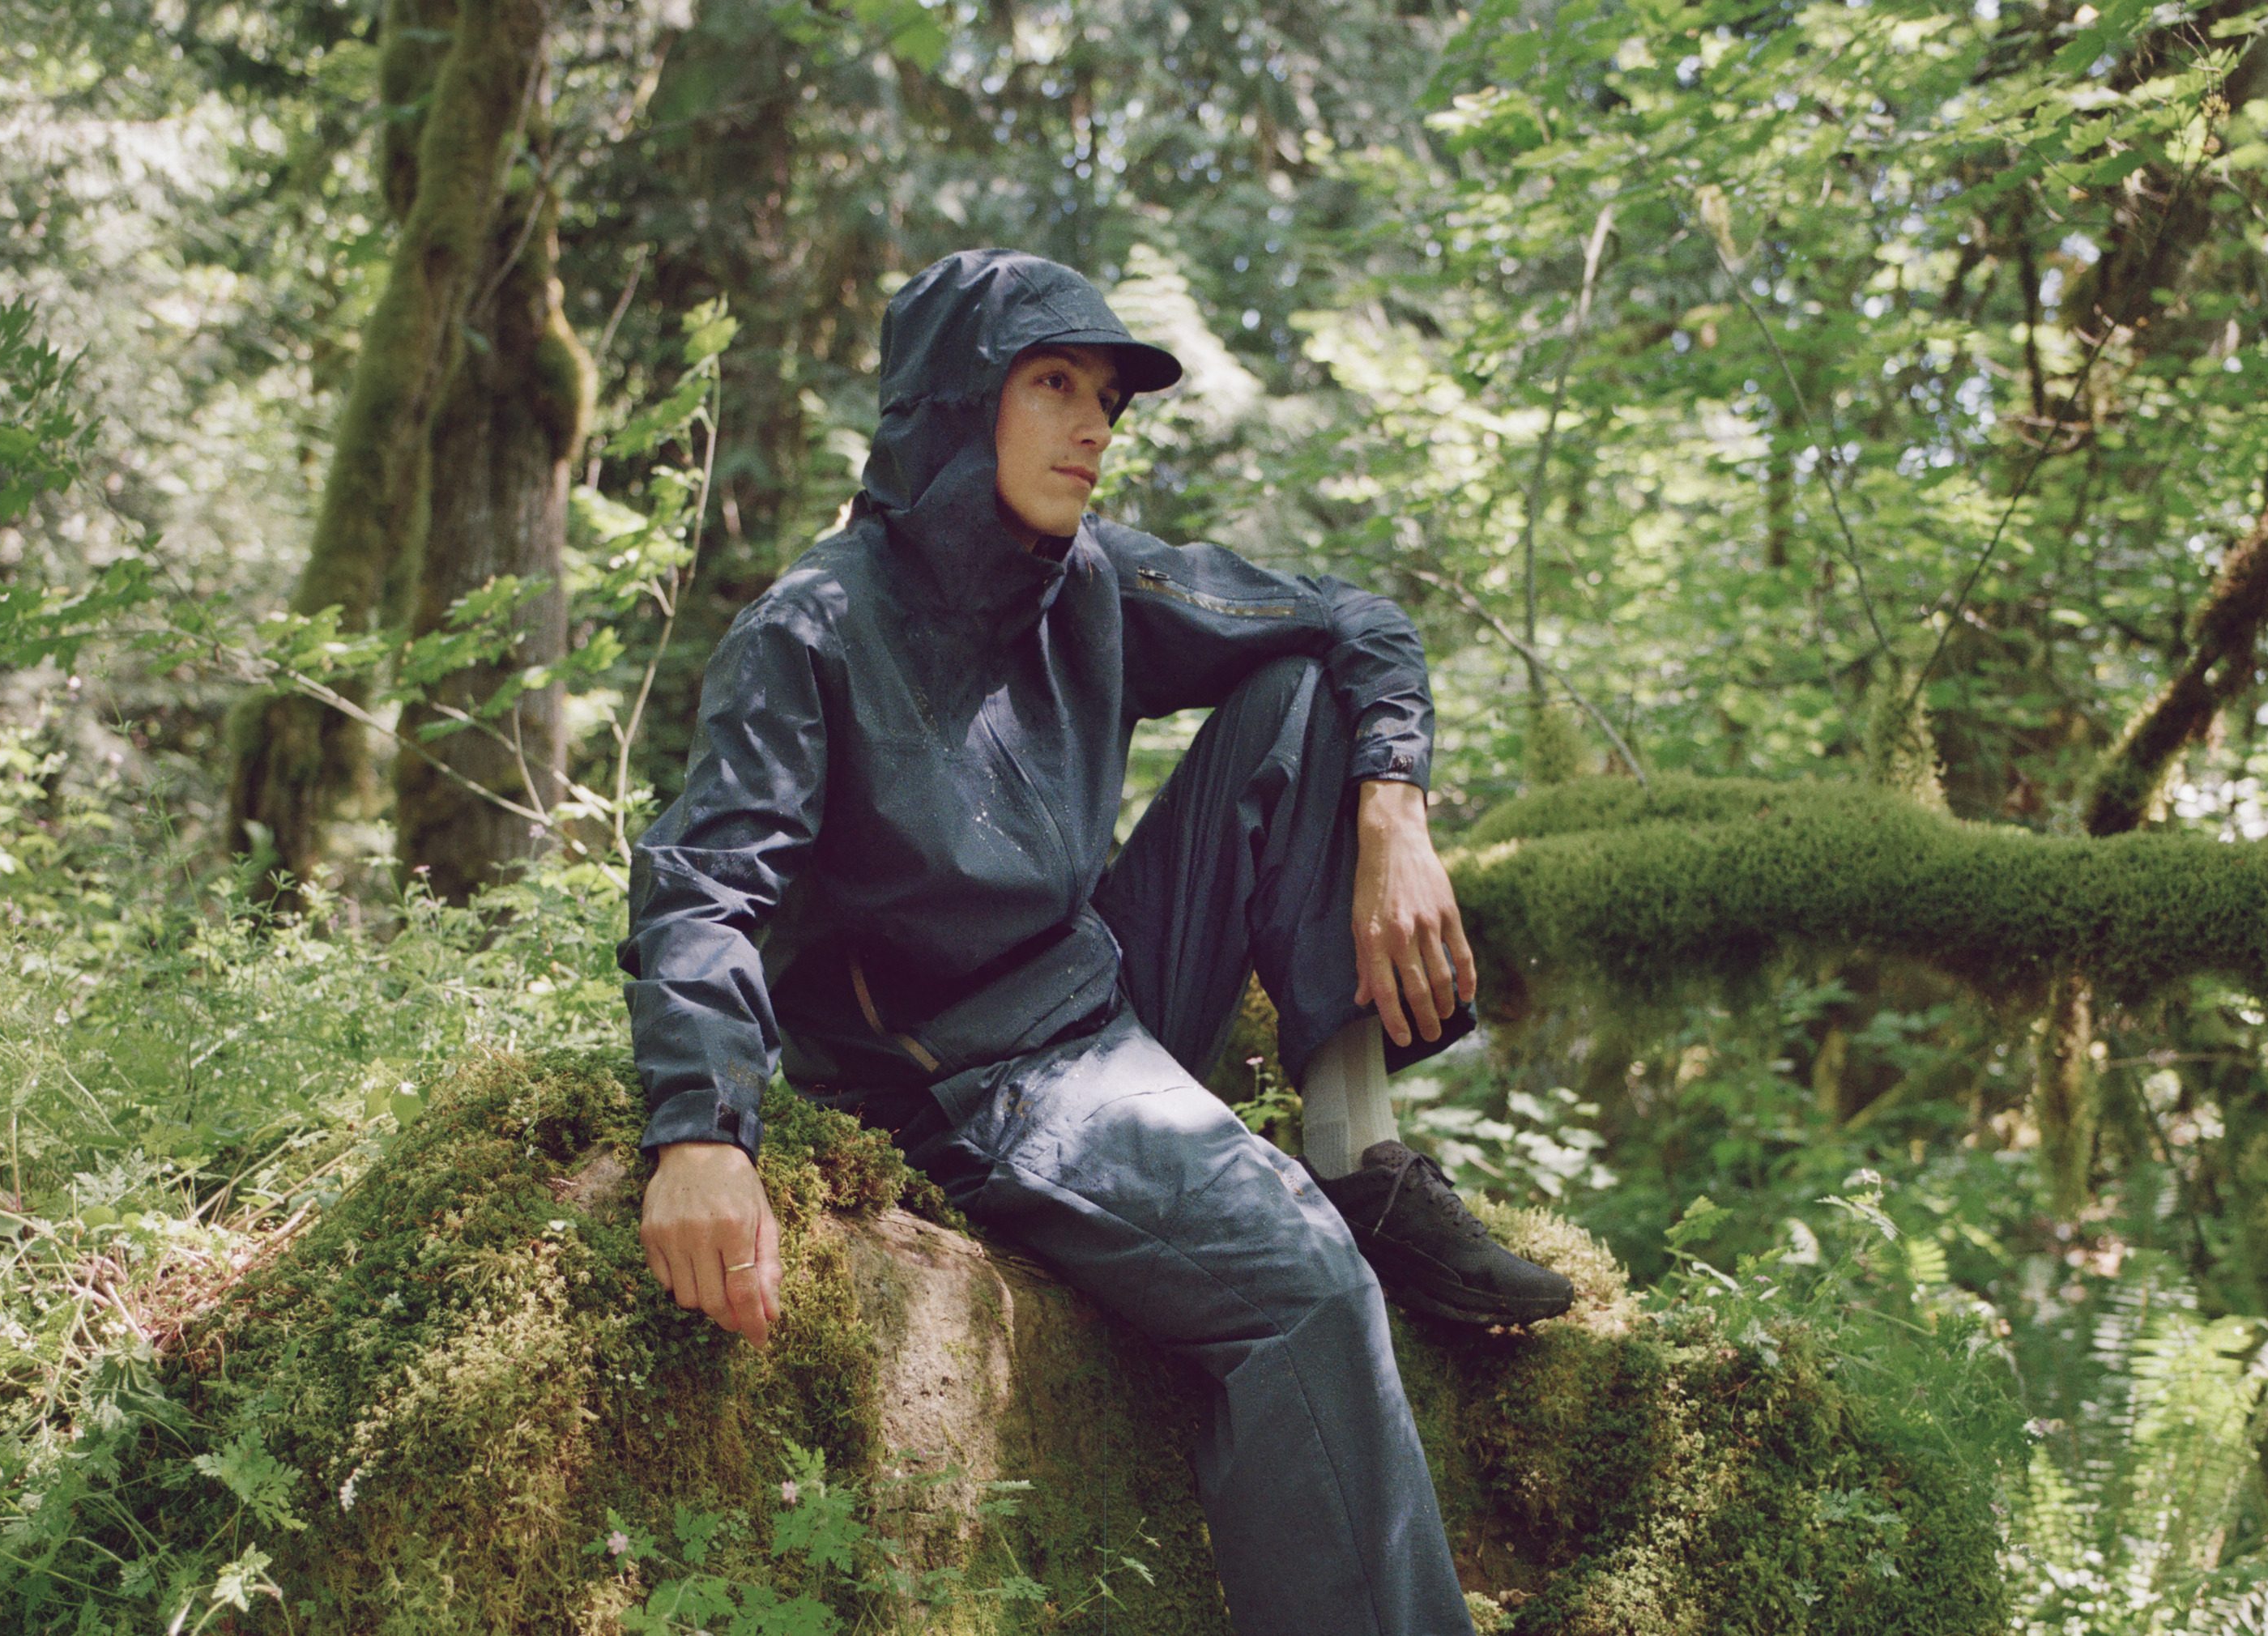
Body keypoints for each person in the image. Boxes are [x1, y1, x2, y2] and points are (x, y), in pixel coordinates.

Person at [618, 247, 1571, 1636]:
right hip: (961, 1079)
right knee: (1306, 1290)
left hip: (1102, 989)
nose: (1091, 428)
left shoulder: (1090, 580)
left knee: (1303, 691)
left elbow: (1358, 620)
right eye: (1052, 384)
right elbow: (706, 885)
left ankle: (1356, 1149)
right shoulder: (809, 633)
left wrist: (1395, 810)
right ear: (953, 402)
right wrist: (699, 1133)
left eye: (1109, 400)